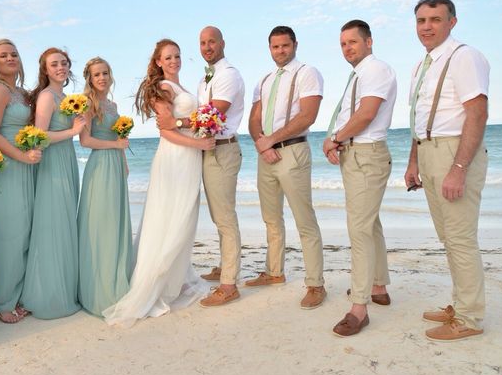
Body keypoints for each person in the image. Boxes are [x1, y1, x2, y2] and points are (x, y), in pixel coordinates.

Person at [103, 39, 214, 327]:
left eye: (177, 55)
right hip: (175, 158)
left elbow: (178, 122)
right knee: (172, 217)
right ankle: (155, 283)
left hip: (189, 157)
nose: (175, 60)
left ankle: (177, 276)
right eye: (168, 57)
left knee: (184, 216)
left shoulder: (182, 88)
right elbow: (166, 130)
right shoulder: (162, 88)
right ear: (158, 62)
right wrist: (197, 135)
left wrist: (197, 127)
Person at [405, 0, 490, 341]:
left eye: (435, 19)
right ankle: (461, 303)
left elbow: (477, 113)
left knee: (460, 238)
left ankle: (469, 318)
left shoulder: (464, 56)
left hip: (454, 153)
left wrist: (458, 167)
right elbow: (420, 119)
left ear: (452, 22)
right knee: (449, 238)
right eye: (421, 20)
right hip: (429, 153)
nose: (426, 26)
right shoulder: (423, 65)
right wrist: (414, 161)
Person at [158, 26, 245, 307]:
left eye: (212, 42)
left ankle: (229, 284)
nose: (207, 47)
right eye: (203, 43)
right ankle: (225, 268)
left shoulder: (228, 74)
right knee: (218, 215)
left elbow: (214, 112)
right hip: (204, 152)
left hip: (222, 150)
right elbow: (199, 114)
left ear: (222, 43)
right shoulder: (204, 78)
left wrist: (178, 123)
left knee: (224, 217)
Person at [322, 20, 397, 337]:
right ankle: (378, 287)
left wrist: (335, 138)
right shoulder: (360, 74)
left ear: (369, 41)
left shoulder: (376, 70)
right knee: (370, 224)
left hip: (367, 154)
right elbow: (354, 112)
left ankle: (359, 308)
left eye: (353, 42)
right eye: (343, 44)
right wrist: (338, 140)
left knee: (359, 229)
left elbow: (366, 114)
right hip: (357, 154)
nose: (347, 48)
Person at [247, 25, 327, 309]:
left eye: (285, 46)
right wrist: (261, 143)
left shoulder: (307, 73)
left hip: (293, 152)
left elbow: (309, 115)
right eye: (275, 46)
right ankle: (274, 272)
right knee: (271, 219)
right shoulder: (265, 79)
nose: (280, 51)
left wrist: (271, 141)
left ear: (295, 45)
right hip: (266, 155)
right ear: (269, 48)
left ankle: (316, 284)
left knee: (304, 220)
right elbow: (255, 118)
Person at [21, 47, 84, 319]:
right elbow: (39, 135)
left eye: (64, 63)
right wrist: (72, 131)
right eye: (54, 64)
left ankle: (65, 288)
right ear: (45, 70)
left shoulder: (66, 97)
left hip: (67, 159)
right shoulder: (47, 97)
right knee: (53, 223)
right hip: (52, 164)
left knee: (65, 221)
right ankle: (49, 295)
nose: (60, 67)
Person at [0, 39, 41, 324]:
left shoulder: (21, 92)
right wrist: (21, 156)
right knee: (10, 235)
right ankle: (0, 301)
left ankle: (16, 296)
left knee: (24, 233)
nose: (10, 58)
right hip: (7, 166)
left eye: (14, 54)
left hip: (25, 167)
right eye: (3, 55)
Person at [77, 57, 133, 317]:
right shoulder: (88, 104)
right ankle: (97, 290)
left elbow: (119, 137)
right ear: (89, 78)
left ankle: (117, 278)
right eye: (96, 74)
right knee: (101, 224)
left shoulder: (112, 104)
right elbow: (85, 140)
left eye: (105, 73)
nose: (102, 78)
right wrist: (115, 148)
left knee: (116, 223)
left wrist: (123, 161)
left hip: (115, 166)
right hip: (99, 167)